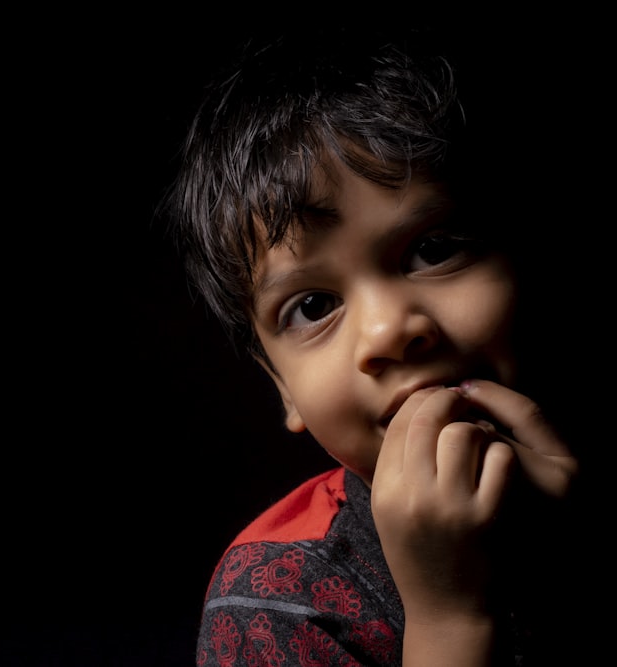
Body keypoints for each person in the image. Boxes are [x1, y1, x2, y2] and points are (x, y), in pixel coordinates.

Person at [158, 27, 587, 666]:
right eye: (313, 307)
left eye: (432, 250)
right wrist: (452, 619)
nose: (388, 331)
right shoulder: (277, 605)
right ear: (280, 384)